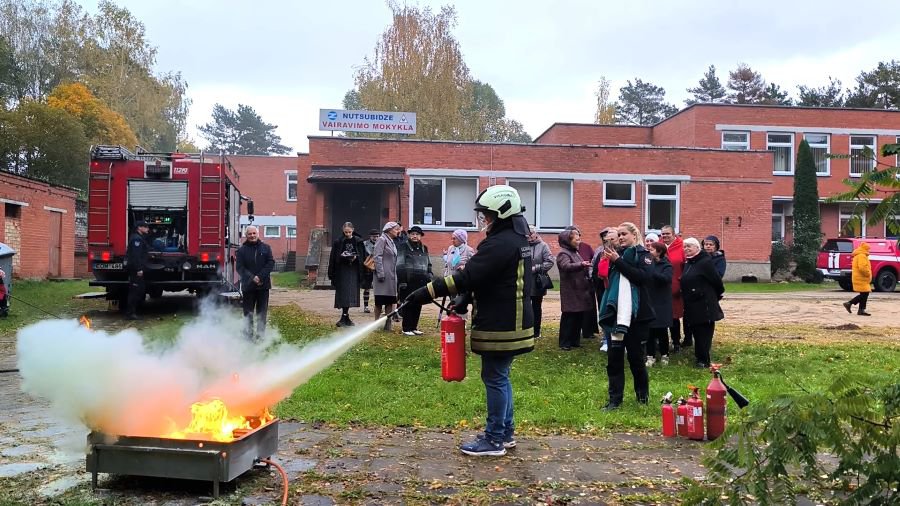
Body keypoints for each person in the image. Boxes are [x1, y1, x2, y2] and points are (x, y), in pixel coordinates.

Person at [404, 185, 534, 456]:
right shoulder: (516, 238)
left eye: (487, 214)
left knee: (495, 377)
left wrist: (426, 292)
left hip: (502, 322)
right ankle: (505, 433)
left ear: (502, 212)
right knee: (501, 376)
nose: (484, 219)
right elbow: (498, 280)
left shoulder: (500, 243)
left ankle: (495, 439)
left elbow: (467, 276)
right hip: (513, 319)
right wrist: (468, 298)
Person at [599, 222, 653, 410]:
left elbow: (642, 278)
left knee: (636, 359)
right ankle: (614, 400)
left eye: (624, 234)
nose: (621, 238)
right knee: (614, 360)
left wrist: (618, 262)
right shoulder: (616, 255)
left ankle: (643, 398)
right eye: (619, 235)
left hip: (636, 316)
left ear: (634, 235)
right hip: (617, 316)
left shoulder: (643, 255)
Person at [681, 237, 725, 368]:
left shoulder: (705, 262)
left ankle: (704, 360)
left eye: (689, 246)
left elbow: (717, 282)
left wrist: (711, 295)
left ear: (697, 248)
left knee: (704, 333)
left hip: (704, 304)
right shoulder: (689, 262)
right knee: (695, 331)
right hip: (692, 304)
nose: (686, 249)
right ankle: (698, 357)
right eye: (685, 247)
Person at [236, 225, 275, 340]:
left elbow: (270, 263)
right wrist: (252, 277)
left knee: (262, 313)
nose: (252, 236)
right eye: (250, 234)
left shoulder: (266, 248)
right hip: (248, 287)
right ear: (246, 235)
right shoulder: (241, 250)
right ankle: (248, 336)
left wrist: (260, 277)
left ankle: (260, 336)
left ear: (258, 234)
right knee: (248, 313)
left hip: (263, 286)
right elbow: (239, 267)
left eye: (254, 233)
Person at [557, 227, 592, 351]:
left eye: (579, 238)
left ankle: (575, 340)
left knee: (578, 316)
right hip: (570, 290)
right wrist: (581, 265)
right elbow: (565, 266)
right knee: (569, 317)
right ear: (568, 240)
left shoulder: (575, 252)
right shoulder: (563, 253)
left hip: (579, 289)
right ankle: (565, 342)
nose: (578, 241)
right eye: (576, 239)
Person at [396, 226, 433, 335]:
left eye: (417, 234)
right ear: (409, 235)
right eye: (412, 234)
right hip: (408, 282)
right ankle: (406, 328)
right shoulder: (403, 246)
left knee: (418, 304)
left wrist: (429, 275)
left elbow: (428, 263)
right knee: (408, 304)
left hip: (421, 282)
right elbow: (400, 264)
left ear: (420, 236)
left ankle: (414, 327)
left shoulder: (424, 248)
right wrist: (402, 281)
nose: (414, 236)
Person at [328, 222, 366, 327]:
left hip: (353, 270)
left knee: (350, 294)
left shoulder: (358, 241)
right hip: (342, 270)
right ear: (343, 231)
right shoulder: (339, 242)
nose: (348, 234)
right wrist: (341, 257)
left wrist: (356, 257)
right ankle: (344, 316)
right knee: (343, 294)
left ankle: (345, 316)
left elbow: (363, 255)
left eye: (349, 232)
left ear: (353, 230)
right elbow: (333, 257)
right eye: (346, 232)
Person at [660, 225, 689, 351]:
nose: (665, 236)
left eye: (667, 234)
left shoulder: (682, 247)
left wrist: (681, 283)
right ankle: (660, 342)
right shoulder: (659, 247)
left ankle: (676, 342)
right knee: (661, 315)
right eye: (663, 234)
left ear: (674, 234)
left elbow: (686, 268)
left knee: (674, 316)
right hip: (661, 287)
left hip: (676, 288)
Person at [645, 242, 673, 367]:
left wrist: (652, 272)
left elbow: (666, 279)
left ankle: (664, 355)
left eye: (651, 249)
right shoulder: (647, 263)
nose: (649, 251)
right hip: (649, 301)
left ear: (659, 252)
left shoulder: (666, 265)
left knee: (662, 331)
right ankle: (650, 356)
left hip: (662, 303)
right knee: (649, 331)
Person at [591, 227, 619, 352]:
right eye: (605, 237)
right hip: (604, 289)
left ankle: (618, 340)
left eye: (612, 237)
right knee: (605, 314)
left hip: (617, 288)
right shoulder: (601, 252)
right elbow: (595, 269)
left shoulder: (622, 252)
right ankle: (606, 340)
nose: (608, 240)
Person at [373, 221, 401, 331]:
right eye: (396, 229)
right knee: (379, 300)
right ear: (389, 230)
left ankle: (388, 324)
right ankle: (376, 323)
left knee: (390, 300)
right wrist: (380, 273)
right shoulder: (382, 240)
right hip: (382, 276)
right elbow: (377, 256)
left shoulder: (392, 241)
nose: (398, 231)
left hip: (391, 276)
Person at [528, 225, 554, 339]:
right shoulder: (522, 245)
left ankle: (536, 331)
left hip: (537, 281)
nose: (528, 236)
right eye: (526, 234)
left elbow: (550, 261)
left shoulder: (543, 246)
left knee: (536, 307)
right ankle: (526, 329)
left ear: (535, 234)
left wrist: (536, 268)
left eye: (530, 234)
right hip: (524, 281)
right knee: (525, 306)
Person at [576, 228, 600, 340]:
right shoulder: (567, 250)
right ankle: (576, 331)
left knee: (589, 306)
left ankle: (589, 331)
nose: (577, 239)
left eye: (578, 236)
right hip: (575, 283)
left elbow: (594, 260)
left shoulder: (586, 247)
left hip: (587, 281)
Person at [125, 220, 151, 320]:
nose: (147, 229)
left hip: (135, 269)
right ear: (139, 228)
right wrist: (139, 269)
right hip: (136, 270)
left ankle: (133, 312)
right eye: (145, 227)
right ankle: (130, 313)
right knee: (135, 291)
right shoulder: (137, 239)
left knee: (139, 290)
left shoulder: (138, 238)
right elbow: (136, 256)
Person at [843, 242, 872, 316]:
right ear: (865, 249)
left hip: (860, 277)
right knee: (865, 293)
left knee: (864, 293)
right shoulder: (862, 256)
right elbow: (862, 267)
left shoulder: (859, 255)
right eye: (868, 249)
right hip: (861, 277)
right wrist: (868, 273)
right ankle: (850, 303)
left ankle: (860, 310)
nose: (869, 250)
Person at [362, 229, 380, 313]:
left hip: (378, 269)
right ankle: (366, 306)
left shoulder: (382, 244)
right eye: (374, 236)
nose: (375, 238)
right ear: (370, 236)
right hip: (368, 269)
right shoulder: (365, 244)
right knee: (367, 288)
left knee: (379, 289)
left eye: (377, 236)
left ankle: (378, 306)